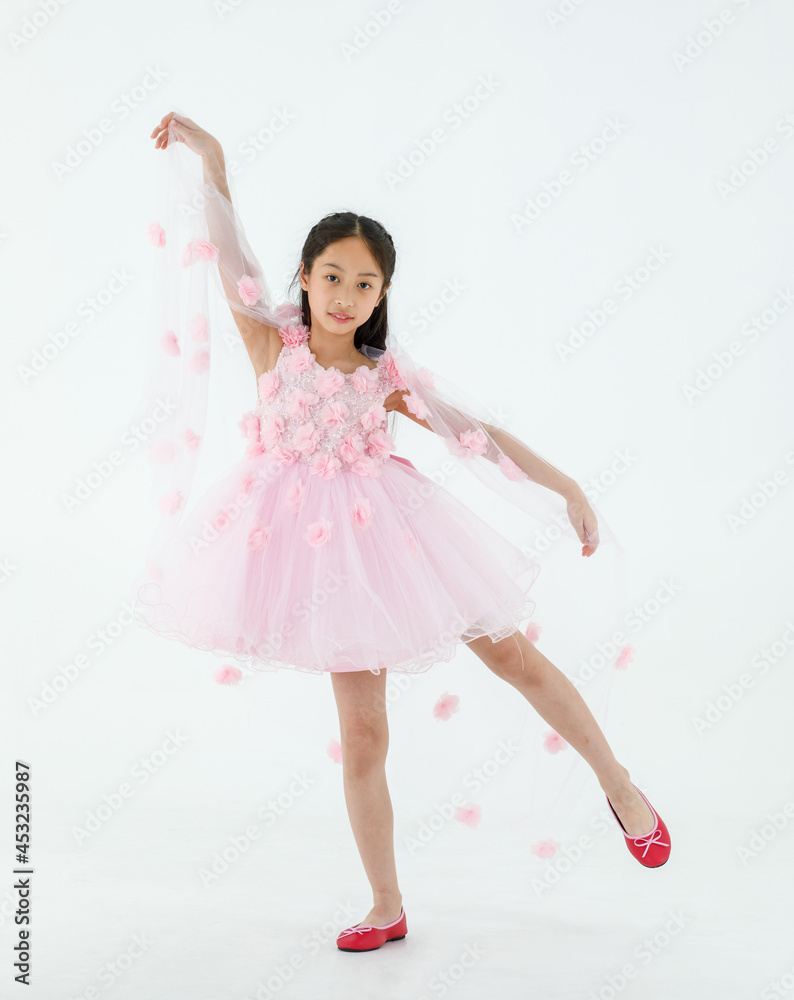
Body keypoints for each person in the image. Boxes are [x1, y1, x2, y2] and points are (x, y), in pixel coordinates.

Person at [130, 111, 671, 953]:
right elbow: (228, 253)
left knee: (511, 654)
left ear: (383, 296)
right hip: (308, 555)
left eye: (365, 284)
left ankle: (621, 785)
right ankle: (388, 905)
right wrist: (216, 160)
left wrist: (563, 486)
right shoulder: (274, 342)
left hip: (391, 533)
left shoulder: (387, 376)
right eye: (333, 276)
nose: (345, 296)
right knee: (366, 734)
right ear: (304, 278)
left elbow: (477, 434)